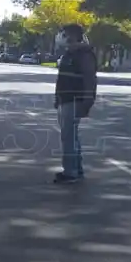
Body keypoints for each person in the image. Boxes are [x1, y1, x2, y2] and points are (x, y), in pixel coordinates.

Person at [53, 23, 97, 184]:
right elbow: (63, 79)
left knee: (68, 137)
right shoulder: (68, 54)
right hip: (65, 99)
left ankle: (71, 172)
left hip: (74, 99)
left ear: (72, 35)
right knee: (70, 137)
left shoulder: (84, 54)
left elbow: (90, 79)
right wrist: (57, 99)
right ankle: (76, 169)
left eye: (64, 34)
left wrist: (88, 100)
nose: (61, 37)